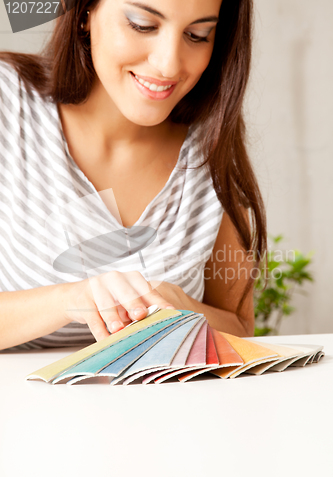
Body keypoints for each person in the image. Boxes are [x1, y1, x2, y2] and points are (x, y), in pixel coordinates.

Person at [0, 0, 266, 351]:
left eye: (197, 35)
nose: (169, 63)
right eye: (142, 25)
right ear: (83, 14)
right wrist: (73, 299)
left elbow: (239, 327)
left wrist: (183, 307)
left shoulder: (210, 141)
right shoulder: (9, 104)